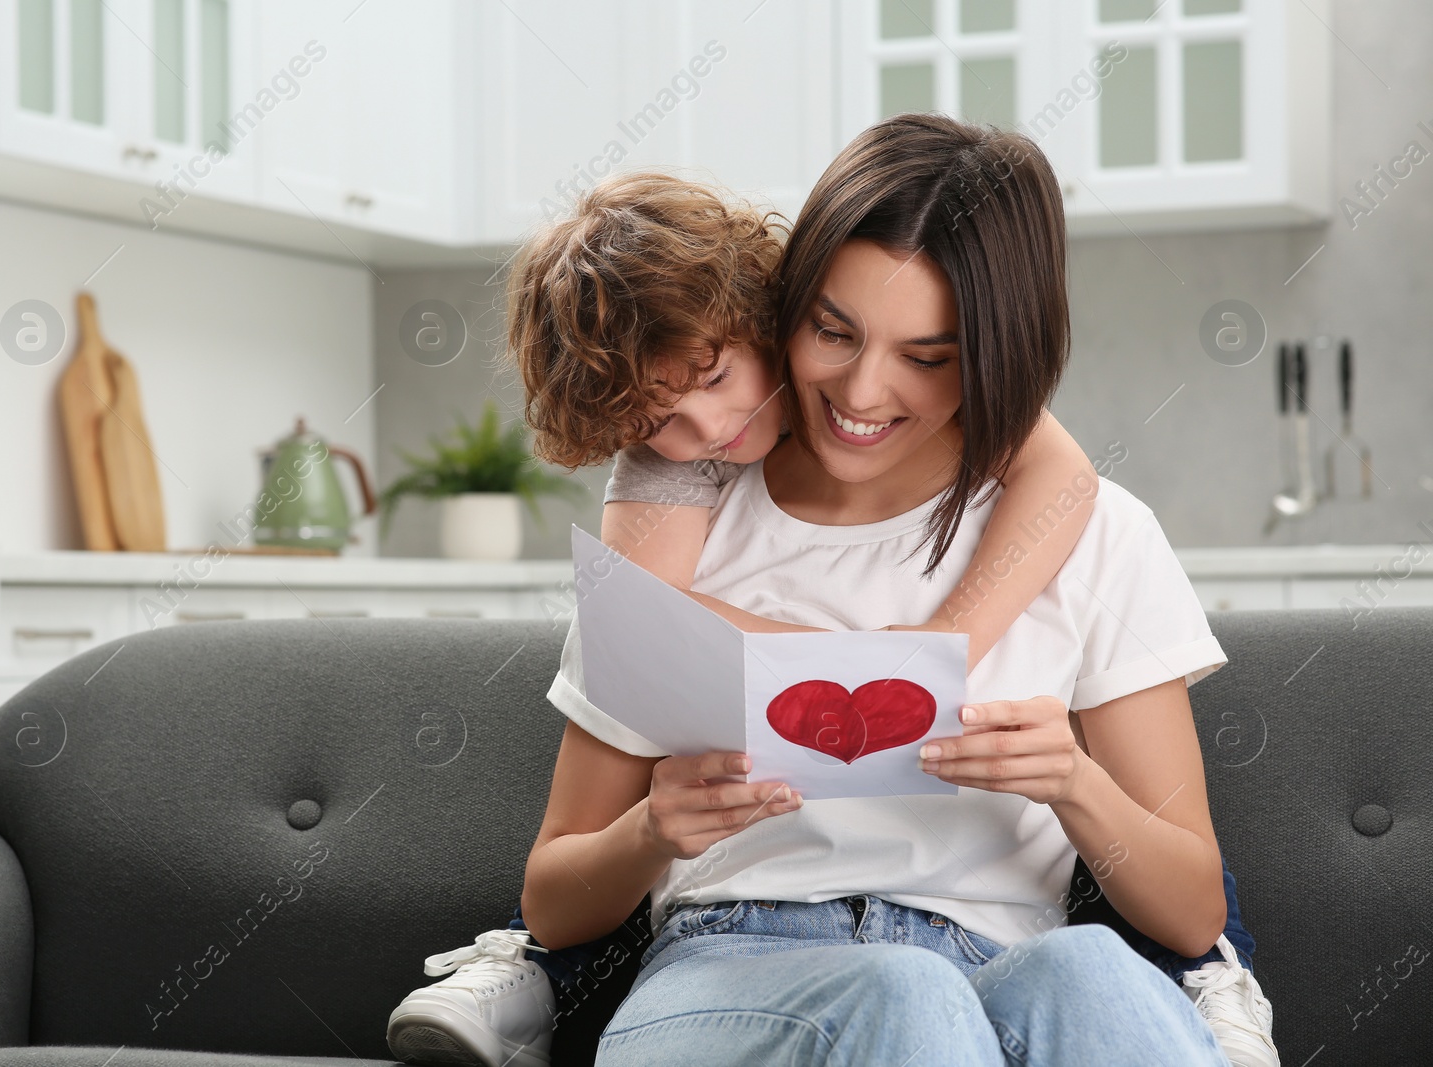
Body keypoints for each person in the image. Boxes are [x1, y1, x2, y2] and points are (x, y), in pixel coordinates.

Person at [387, 146, 1275, 1065]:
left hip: (1000, 956)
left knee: (1092, 973)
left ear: (993, 358)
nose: (860, 393)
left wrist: (1074, 783)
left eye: (927, 357)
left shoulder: (1087, 528)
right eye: (834, 333)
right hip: (728, 964)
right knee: (904, 989)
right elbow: (557, 892)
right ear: (788, 308)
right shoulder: (670, 532)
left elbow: (1190, 908)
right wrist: (651, 828)